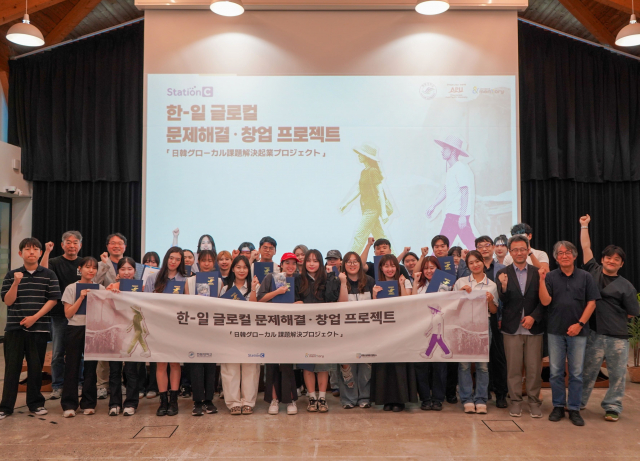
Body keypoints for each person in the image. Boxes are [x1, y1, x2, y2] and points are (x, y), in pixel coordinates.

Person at [579, 215, 639, 422]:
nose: (611, 261)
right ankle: (579, 403)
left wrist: (612, 317)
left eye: (616, 259)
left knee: (617, 374)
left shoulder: (626, 286)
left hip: (617, 337)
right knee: (587, 372)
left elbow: (632, 312)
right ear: (603, 259)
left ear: (621, 264)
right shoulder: (593, 271)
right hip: (593, 334)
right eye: (608, 258)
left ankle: (613, 407)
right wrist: (584, 225)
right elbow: (586, 248)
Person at [539, 241, 600, 426]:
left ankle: (574, 408)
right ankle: (558, 406)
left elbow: (592, 303)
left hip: (578, 332)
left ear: (574, 255)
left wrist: (579, 324)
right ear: (556, 258)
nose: (564, 256)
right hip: (555, 331)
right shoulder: (550, 277)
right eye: (560, 253)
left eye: (567, 252)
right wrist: (541, 280)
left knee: (576, 373)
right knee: (556, 372)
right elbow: (545, 301)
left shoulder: (585, 276)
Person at [0, 238, 61, 420]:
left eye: (35, 249)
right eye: (27, 249)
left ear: (40, 253)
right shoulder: (12, 275)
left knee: (36, 368)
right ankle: (6, 407)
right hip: (14, 329)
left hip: (39, 329)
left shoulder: (49, 274)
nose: (31, 252)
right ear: (21, 253)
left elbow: (53, 299)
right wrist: (16, 283)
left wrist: (35, 317)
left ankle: (36, 404)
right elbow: (8, 301)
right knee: (12, 369)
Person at [496, 235, 545, 418]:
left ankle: (534, 402)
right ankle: (515, 401)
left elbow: (544, 300)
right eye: (515, 250)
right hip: (511, 328)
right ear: (510, 252)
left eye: (522, 249)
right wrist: (503, 286)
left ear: (528, 250)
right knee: (513, 369)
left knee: (534, 369)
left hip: (534, 328)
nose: (519, 253)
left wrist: (534, 317)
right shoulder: (503, 273)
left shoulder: (537, 272)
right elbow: (503, 300)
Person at [144, 247, 188, 417]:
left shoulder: (184, 280)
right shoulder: (153, 278)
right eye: (171, 258)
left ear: (181, 262)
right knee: (161, 363)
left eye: (177, 259)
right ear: (166, 258)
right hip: (158, 326)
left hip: (176, 326)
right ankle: (163, 401)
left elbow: (188, 304)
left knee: (175, 363)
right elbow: (145, 301)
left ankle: (174, 401)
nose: (173, 261)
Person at [295, 250, 340, 413]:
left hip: (323, 327)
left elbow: (331, 298)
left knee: (322, 364)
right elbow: (295, 300)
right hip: (305, 328)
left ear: (321, 263)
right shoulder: (298, 279)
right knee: (307, 365)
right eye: (309, 260)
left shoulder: (327, 278)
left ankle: (322, 397)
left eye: (315, 261)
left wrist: (330, 277)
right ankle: (312, 397)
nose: (312, 264)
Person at [453, 251, 498, 414]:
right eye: (471, 263)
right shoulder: (461, 282)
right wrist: (460, 294)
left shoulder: (491, 285)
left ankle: (480, 399)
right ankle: (466, 399)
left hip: (483, 326)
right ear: (467, 265)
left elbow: (494, 310)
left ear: (483, 262)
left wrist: (490, 300)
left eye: (477, 261)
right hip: (463, 326)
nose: (475, 265)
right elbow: (453, 308)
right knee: (464, 365)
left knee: (483, 366)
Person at [370, 254, 416, 412]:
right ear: (381, 268)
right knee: (384, 364)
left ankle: (400, 400)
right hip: (383, 330)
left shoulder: (405, 281)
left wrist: (401, 285)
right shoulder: (377, 284)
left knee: (399, 364)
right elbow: (374, 310)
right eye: (386, 266)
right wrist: (374, 295)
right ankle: (386, 399)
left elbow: (408, 303)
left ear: (397, 267)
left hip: (401, 328)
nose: (389, 269)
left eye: (392, 266)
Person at [41, 231, 83, 401]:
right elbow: (43, 272)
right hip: (59, 314)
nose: (72, 245)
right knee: (58, 352)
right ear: (62, 244)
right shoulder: (54, 262)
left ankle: (79, 383)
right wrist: (47, 251)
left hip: (80, 314)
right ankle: (57, 385)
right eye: (68, 242)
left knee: (80, 353)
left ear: (80, 245)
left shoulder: (83, 263)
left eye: (75, 242)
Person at [60, 257, 104, 417]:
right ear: (80, 268)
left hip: (94, 330)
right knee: (72, 366)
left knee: (91, 368)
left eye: (94, 268)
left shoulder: (100, 288)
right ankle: (69, 404)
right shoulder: (71, 288)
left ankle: (89, 403)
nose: (91, 270)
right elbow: (68, 313)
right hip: (75, 329)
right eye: (87, 267)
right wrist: (81, 297)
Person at [427, 234, 469, 403]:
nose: (439, 249)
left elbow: (463, 283)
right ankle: (435, 391)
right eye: (436, 246)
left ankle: (450, 391)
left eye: (442, 246)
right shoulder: (430, 264)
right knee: (434, 357)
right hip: (433, 315)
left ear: (447, 247)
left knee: (451, 356)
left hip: (453, 316)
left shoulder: (457, 265)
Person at [257, 252, 299, 415]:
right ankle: (274, 399)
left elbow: (303, 299)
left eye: (293, 263)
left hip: (291, 327)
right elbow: (260, 299)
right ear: (281, 264)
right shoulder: (270, 278)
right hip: (272, 326)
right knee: (272, 363)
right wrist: (277, 292)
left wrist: (298, 303)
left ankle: (290, 399)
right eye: (287, 263)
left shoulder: (298, 279)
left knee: (288, 364)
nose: (290, 266)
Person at [219, 255, 260, 416]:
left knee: (250, 367)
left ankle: (248, 402)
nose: (242, 270)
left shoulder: (255, 286)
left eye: (245, 267)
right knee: (230, 368)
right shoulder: (225, 289)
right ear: (233, 269)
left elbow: (255, 309)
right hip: (230, 333)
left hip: (250, 333)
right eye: (238, 267)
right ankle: (233, 402)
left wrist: (254, 289)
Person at [183, 249, 220, 416]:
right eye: (203, 260)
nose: (206, 263)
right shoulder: (190, 281)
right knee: (196, 365)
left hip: (212, 328)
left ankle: (209, 400)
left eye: (210, 260)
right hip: (194, 328)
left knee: (210, 365)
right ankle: (197, 401)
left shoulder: (219, 281)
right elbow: (186, 303)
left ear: (214, 263)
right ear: (198, 262)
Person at [336, 252, 375, 409]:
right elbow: (341, 304)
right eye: (349, 262)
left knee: (366, 365)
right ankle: (348, 399)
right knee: (347, 366)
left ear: (360, 263)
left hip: (367, 332)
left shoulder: (369, 281)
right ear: (343, 264)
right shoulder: (338, 281)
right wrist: (342, 283)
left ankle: (365, 397)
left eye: (355, 261)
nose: (352, 264)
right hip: (346, 331)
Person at [103, 257, 142, 416]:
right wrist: (111, 295)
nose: (126, 272)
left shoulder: (141, 288)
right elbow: (103, 306)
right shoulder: (111, 287)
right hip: (115, 333)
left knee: (131, 371)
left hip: (133, 333)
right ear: (118, 271)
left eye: (130, 269)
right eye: (123, 269)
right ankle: (114, 403)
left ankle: (131, 403)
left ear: (135, 271)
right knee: (114, 370)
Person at [411, 256, 450, 411]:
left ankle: (438, 399)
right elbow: (413, 303)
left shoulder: (446, 285)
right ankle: (425, 398)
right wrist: (415, 283)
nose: (428, 271)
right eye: (426, 268)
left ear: (438, 269)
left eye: (432, 268)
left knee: (439, 366)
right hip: (421, 330)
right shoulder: (419, 286)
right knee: (421, 366)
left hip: (440, 328)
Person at [340, 142, 393, 253]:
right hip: (366, 209)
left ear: (367, 156)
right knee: (381, 238)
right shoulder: (364, 172)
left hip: (372, 210)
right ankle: (393, 259)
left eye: (361, 154)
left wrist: (383, 212)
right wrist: (346, 203)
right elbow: (359, 190)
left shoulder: (373, 171)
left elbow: (380, 192)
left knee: (359, 236)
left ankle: (350, 261)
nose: (358, 156)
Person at [425, 135, 476, 249]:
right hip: (454, 215)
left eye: (445, 149)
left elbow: (465, 192)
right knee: (471, 245)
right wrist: (433, 205)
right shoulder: (452, 169)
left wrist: (462, 216)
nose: (442, 151)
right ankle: (482, 258)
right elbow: (446, 190)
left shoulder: (460, 168)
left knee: (440, 247)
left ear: (453, 151)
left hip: (456, 216)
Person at [475, 235, 508, 409]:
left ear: (493, 247)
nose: (484, 248)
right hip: (475, 319)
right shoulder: (471, 270)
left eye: (487, 245)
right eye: (480, 246)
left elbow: (506, 295)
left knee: (498, 357)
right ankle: (484, 391)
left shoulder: (503, 269)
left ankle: (501, 394)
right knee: (481, 357)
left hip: (497, 318)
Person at [94, 233, 128, 398]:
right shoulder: (100, 264)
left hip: (124, 313)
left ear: (125, 247)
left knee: (121, 350)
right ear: (107, 246)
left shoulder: (128, 264)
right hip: (105, 312)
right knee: (104, 350)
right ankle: (102, 384)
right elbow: (94, 283)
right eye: (113, 243)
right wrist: (105, 265)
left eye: (120, 243)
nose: (116, 246)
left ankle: (118, 383)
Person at [140, 251, 161, 399]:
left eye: (153, 262)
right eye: (147, 261)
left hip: (157, 320)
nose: (150, 264)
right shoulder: (136, 277)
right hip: (140, 319)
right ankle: (141, 386)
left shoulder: (160, 278)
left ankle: (153, 386)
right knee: (140, 354)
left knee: (155, 354)